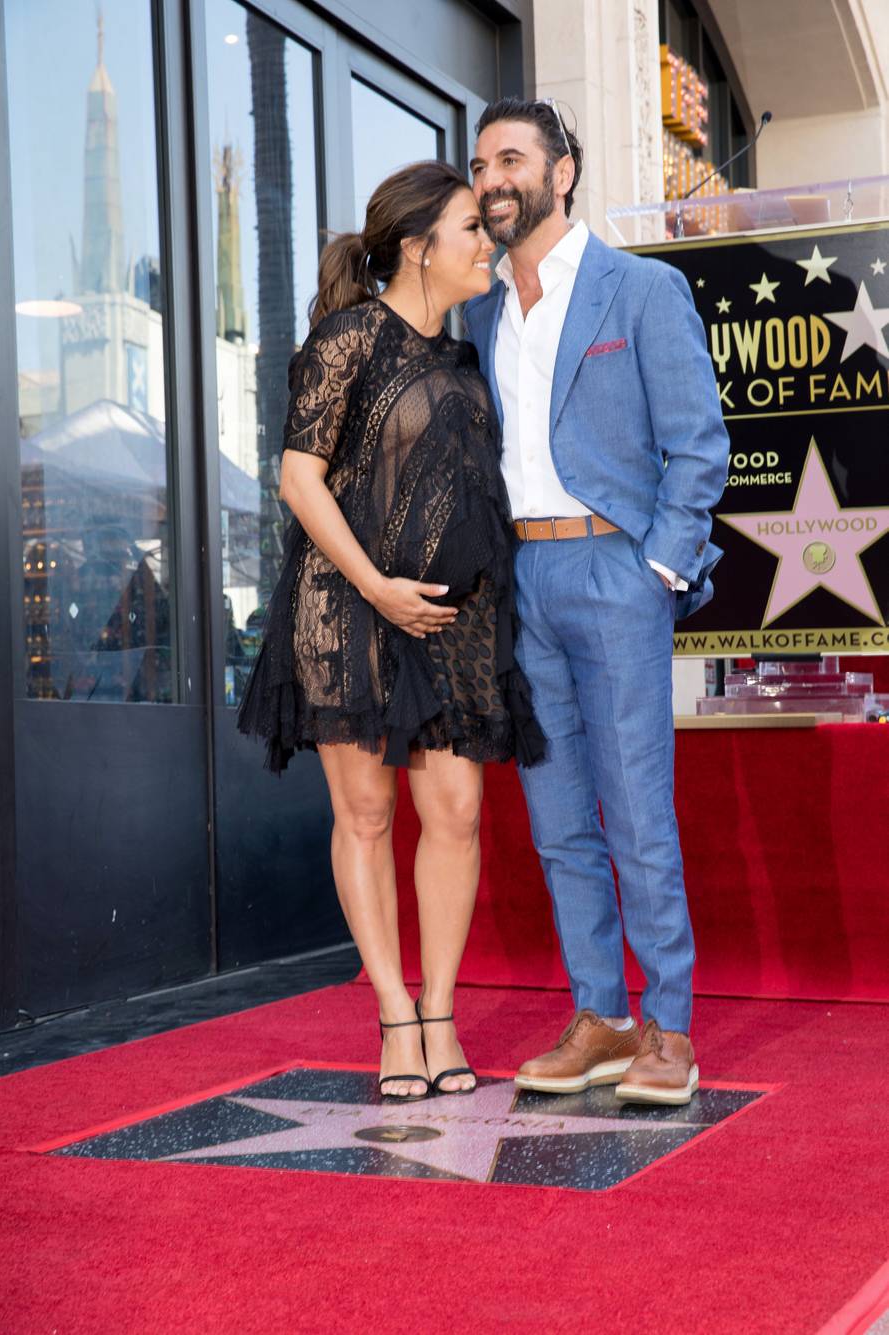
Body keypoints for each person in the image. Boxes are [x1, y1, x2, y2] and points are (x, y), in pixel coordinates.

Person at [238, 161, 544, 1103]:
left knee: (454, 814)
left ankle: (442, 1010)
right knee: (366, 816)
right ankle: (394, 1016)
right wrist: (377, 585)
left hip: (453, 626)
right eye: (467, 228)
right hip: (349, 612)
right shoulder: (349, 339)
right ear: (417, 247)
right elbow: (299, 477)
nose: (485, 241)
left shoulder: (465, 357)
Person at [465, 98, 729, 1106]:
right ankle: (601, 1017)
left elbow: (697, 444)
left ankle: (667, 1027)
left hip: (613, 575)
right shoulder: (483, 314)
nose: (493, 178)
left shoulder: (638, 290)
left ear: (560, 171)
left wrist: (657, 568)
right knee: (556, 819)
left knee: (634, 811)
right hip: (522, 583)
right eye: (482, 163)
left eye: (512, 159)